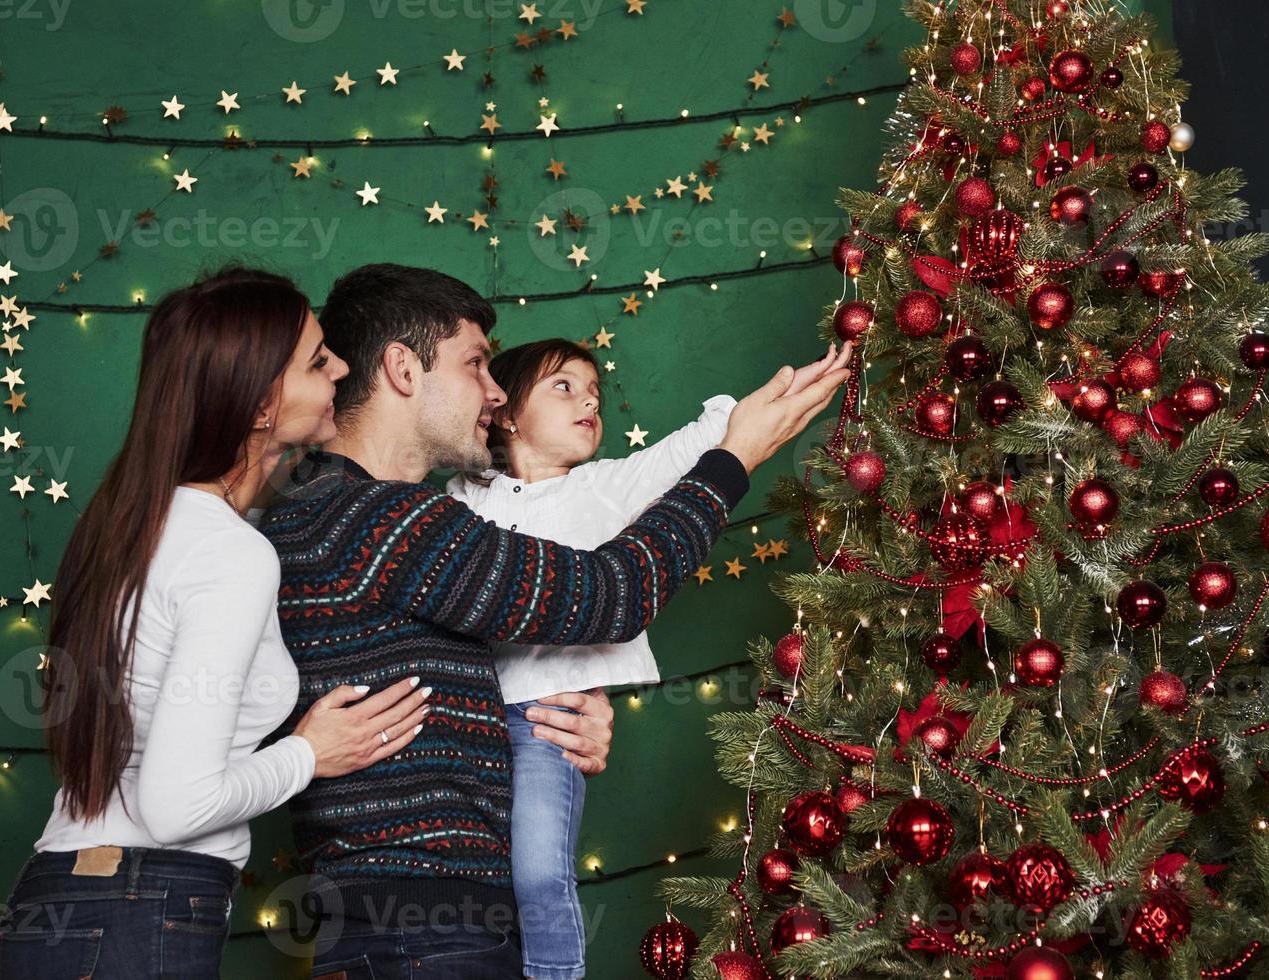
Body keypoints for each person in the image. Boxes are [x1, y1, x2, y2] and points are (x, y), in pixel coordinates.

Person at [256, 262, 851, 979]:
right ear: (403, 369)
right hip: (421, 932)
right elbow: (609, 596)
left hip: (424, 921)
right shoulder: (374, 516)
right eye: (475, 363)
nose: (495, 389)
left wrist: (555, 723)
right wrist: (732, 460)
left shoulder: (349, 510)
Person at [0, 268, 430, 980]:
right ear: (260, 403)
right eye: (319, 361)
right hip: (139, 908)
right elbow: (176, 804)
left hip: (60, 903)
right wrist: (311, 754)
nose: (342, 368)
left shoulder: (129, 525)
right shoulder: (229, 553)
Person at [445, 338, 849, 980]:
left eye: (594, 395)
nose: (588, 403)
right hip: (464, 724)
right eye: (564, 388)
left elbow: (699, 445)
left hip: (552, 724)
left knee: (539, 874)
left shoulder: (605, 487)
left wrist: (776, 395)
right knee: (474, 886)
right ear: (506, 412)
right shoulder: (461, 498)